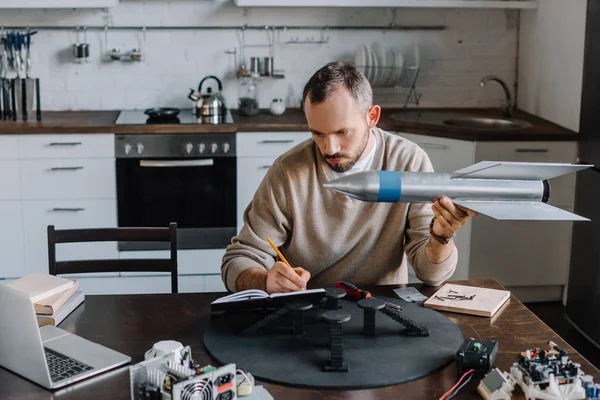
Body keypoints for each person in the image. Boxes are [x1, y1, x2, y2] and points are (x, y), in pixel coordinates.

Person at [221, 61, 477, 294]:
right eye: (318, 134)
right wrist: (264, 279)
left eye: (342, 132)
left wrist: (441, 237)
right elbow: (238, 260)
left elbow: (432, 276)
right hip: (309, 310)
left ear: (372, 117)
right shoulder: (288, 171)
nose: (329, 148)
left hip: (383, 309)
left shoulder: (409, 161)